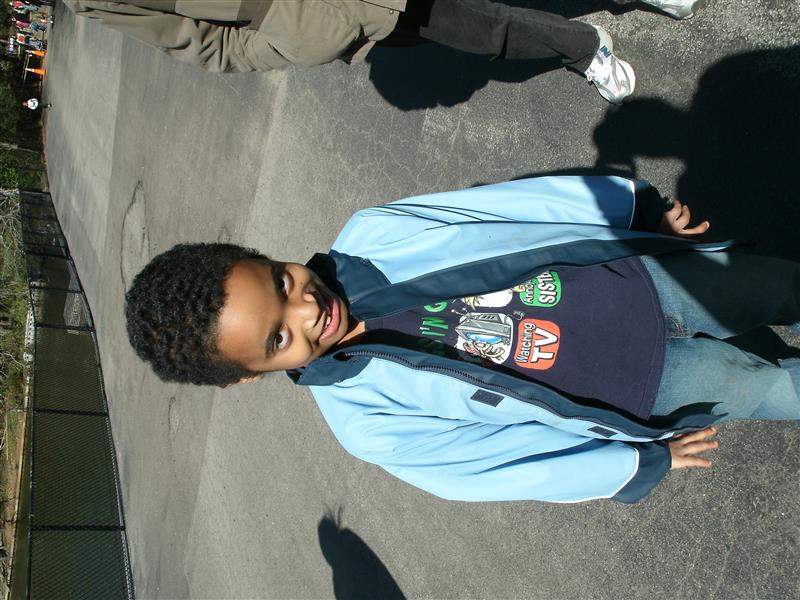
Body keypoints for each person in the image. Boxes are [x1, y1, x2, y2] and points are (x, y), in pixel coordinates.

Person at [125, 175, 800, 503]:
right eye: (278, 339)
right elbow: (502, 468)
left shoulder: (370, 235)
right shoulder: (368, 424)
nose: (306, 309)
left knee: (779, 286)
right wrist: (634, 464)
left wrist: (633, 212)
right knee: (765, 387)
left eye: (280, 280)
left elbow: (509, 205)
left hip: (639, 276)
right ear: (251, 374)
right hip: (640, 389)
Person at [65, 0, 704, 104]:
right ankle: (584, 43)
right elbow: (201, 43)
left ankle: (588, 38)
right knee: (478, 27)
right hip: (328, 13)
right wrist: (292, 37)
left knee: (480, 23)